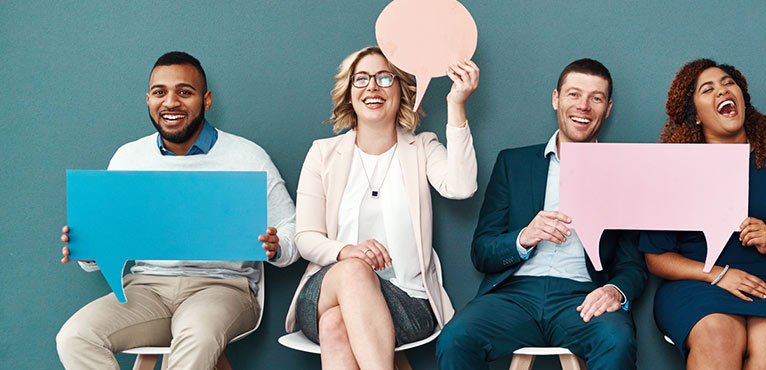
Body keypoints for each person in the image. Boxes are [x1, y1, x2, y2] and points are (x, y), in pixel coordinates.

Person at [55, 51, 298, 370]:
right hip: (147, 288)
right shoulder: (129, 158)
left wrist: (276, 246)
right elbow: (99, 257)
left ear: (206, 100)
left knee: (196, 334)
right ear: (148, 99)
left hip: (223, 287)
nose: (171, 102)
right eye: (160, 92)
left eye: (185, 91)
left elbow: (293, 229)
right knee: (75, 336)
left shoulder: (247, 156)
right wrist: (89, 249)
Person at [435, 58, 644, 370]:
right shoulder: (513, 164)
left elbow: (633, 265)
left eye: (595, 98)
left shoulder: (623, 174)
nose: (583, 106)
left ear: (608, 108)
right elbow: (481, 252)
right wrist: (524, 237)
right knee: (455, 338)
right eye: (573, 94)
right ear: (556, 99)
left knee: (618, 339)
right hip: (513, 296)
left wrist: (615, 291)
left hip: (583, 296)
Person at [284, 46, 478, 369]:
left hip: (407, 299)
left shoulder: (423, 148)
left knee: (335, 326)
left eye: (384, 77)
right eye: (361, 79)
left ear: (401, 90)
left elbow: (462, 186)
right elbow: (306, 237)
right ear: (349, 93)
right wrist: (349, 252)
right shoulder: (323, 153)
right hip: (324, 291)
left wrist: (456, 104)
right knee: (353, 272)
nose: (372, 87)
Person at [640, 58, 766, 370]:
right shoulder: (672, 167)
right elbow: (656, 257)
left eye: (728, 83)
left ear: (742, 97)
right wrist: (719, 275)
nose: (722, 91)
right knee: (716, 336)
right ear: (695, 115)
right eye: (707, 89)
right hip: (698, 283)